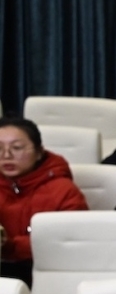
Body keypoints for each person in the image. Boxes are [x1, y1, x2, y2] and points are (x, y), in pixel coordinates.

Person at [0, 117, 88, 284]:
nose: (6, 155)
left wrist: (10, 245)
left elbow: (70, 241)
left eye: (17, 148)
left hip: (48, 275)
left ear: (39, 152)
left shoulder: (64, 190)